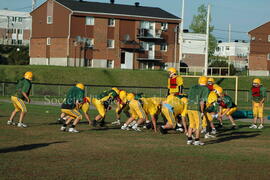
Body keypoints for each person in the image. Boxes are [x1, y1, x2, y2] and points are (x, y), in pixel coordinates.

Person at [186, 76, 210, 146]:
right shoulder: (205, 89)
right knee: (199, 125)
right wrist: (202, 111)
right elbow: (202, 101)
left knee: (191, 124)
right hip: (196, 108)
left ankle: (189, 140)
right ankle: (197, 140)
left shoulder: (193, 87)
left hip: (189, 106)